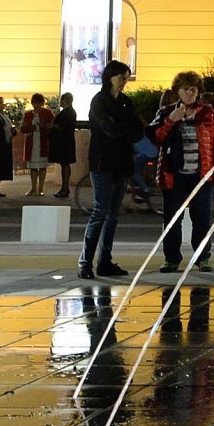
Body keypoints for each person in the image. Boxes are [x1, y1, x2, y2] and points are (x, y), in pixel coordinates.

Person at [148, 71, 214, 274]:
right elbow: (155, 138)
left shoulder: (208, 113)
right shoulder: (167, 112)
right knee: (172, 220)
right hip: (173, 175)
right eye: (186, 89)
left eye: (194, 89)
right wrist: (170, 120)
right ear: (177, 91)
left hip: (202, 175)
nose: (191, 93)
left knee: (202, 218)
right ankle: (171, 259)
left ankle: (203, 258)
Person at [80, 60, 142, 278]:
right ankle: (85, 262)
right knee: (100, 211)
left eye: (126, 78)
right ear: (109, 77)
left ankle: (104, 261)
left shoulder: (126, 102)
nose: (124, 82)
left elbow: (138, 129)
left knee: (113, 214)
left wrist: (123, 128)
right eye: (121, 78)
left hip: (121, 163)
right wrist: (125, 129)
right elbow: (110, 129)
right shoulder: (99, 101)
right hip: (103, 162)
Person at [18, 93, 54, 196]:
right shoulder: (28, 114)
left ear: (42, 103)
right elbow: (23, 128)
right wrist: (31, 128)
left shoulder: (48, 113)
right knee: (33, 166)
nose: (36, 105)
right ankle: (33, 188)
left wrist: (44, 127)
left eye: (38, 103)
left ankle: (41, 189)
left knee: (42, 166)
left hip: (43, 142)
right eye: (34, 103)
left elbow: (52, 126)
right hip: (32, 142)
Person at [49, 92, 79, 198]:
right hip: (66, 142)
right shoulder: (70, 111)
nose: (60, 102)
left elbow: (64, 127)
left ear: (65, 101)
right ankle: (64, 188)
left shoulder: (68, 112)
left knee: (65, 164)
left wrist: (52, 126)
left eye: (61, 100)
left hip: (64, 142)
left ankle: (65, 188)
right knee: (64, 164)